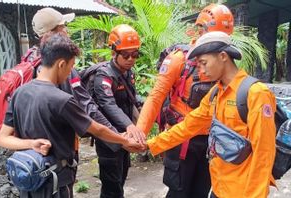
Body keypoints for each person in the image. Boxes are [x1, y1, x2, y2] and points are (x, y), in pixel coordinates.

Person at [0, 33, 142, 198]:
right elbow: (97, 129)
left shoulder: (19, 93)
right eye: (71, 67)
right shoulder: (62, 100)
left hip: (29, 179)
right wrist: (125, 141)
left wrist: (30, 144)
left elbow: (2, 138)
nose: (70, 74)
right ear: (61, 64)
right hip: (54, 181)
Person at [146, 31, 276, 198]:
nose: (200, 71)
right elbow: (188, 126)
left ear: (223, 56)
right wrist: (150, 145)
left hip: (242, 191)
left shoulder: (256, 93)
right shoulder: (216, 92)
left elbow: (263, 154)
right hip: (218, 188)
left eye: (203, 63)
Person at [136, 4, 234, 198]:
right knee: (178, 192)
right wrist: (140, 134)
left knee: (201, 191)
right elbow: (156, 96)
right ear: (200, 31)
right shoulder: (178, 59)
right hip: (181, 139)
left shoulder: (225, 63)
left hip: (211, 141)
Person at [27, 7, 125, 154]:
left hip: (30, 151)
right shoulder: (62, 66)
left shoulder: (31, 61)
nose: (67, 31)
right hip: (57, 151)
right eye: (63, 27)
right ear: (53, 34)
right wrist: (118, 139)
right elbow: (86, 107)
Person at [84, 24, 146, 198]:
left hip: (125, 135)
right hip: (108, 138)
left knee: (121, 179)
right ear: (113, 53)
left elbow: (131, 99)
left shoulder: (127, 73)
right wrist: (129, 126)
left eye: (135, 54)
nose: (131, 59)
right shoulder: (104, 75)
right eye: (125, 55)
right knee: (112, 185)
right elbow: (107, 104)